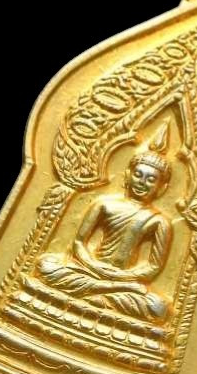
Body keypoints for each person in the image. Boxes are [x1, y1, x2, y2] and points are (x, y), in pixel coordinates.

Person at [37, 122, 173, 321]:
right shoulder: (104, 205)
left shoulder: (159, 221)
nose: (142, 182)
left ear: (162, 187)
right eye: (138, 175)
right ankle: (100, 297)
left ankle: (93, 295)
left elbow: (153, 266)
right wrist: (94, 266)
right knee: (46, 266)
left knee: (158, 307)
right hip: (88, 270)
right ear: (128, 175)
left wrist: (121, 277)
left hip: (123, 282)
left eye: (151, 179)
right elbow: (79, 243)